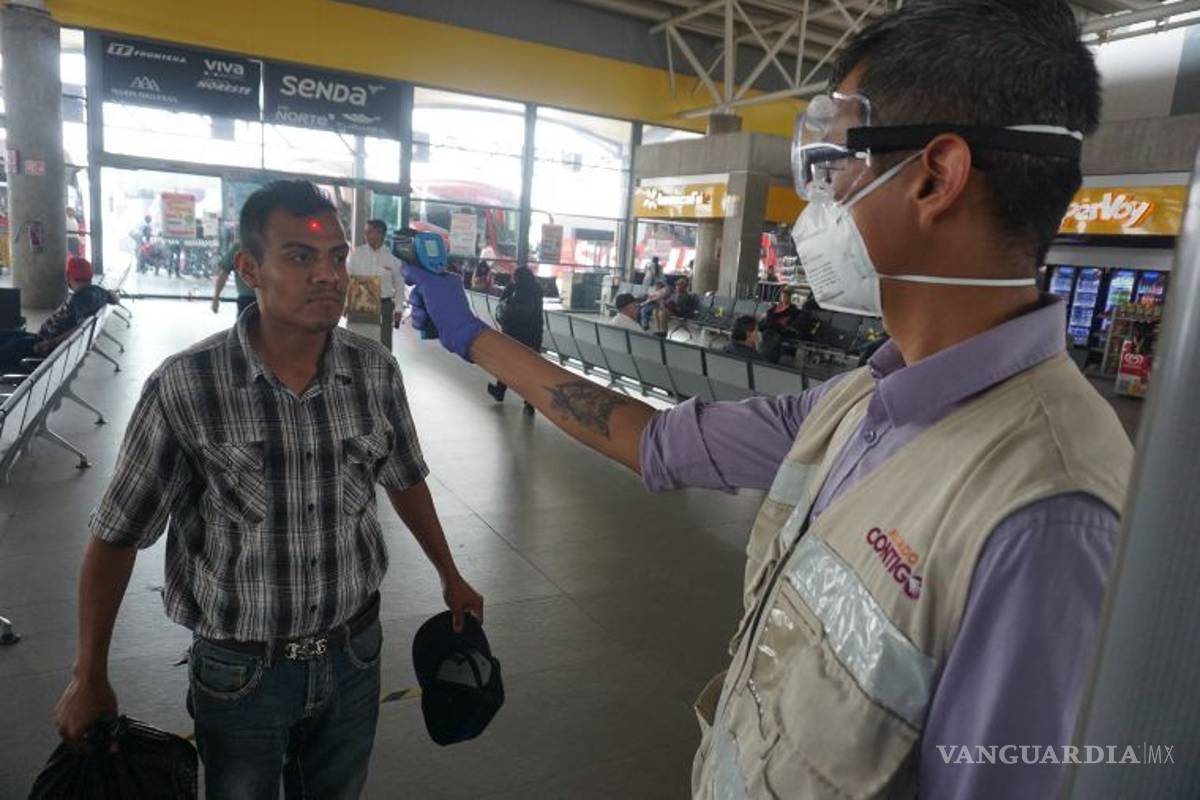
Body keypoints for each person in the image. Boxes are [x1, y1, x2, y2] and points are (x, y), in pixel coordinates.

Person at [403, 2, 1131, 797]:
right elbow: (652, 439)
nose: (819, 202)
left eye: (839, 165)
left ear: (935, 176)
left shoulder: (1047, 513)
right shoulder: (857, 403)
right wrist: (473, 336)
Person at [54, 180, 483, 799]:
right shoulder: (187, 387)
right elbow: (117, 536)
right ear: (249, 268)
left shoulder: (374, 373)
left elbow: (406, 476)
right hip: (242, 671)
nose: (328, 275)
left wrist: (449, 572)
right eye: (300, 256)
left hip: (354, 653)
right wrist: (88, 672)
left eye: (335, 257)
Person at [0, 256, 115, 372]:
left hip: (43, 347)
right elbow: (113, 297)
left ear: (69, 276)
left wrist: (49, 343)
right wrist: (113, 296)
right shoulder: (97, 291)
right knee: (5, 335)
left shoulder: (80, 299)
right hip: (42, 339)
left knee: (9, 346)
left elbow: (79, 329)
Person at [487, 266, 543, 415]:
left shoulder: (514, 288)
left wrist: (508, 290)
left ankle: (499, 391)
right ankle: (530, 403)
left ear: (516, 277)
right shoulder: (537, 289)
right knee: (529, 369)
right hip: (533, 336)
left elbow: (504, 309)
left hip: (513, 335)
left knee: (506, 364)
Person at [347, 219, 405, 350]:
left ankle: (383, 369)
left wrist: (399, 308)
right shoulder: (357, 254)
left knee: (383, 345)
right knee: (357, 343)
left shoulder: (392, 258)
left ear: (381, 234)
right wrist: (346, 303)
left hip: (383, 305)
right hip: (360, 303)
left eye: (369, 232)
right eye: (366, 232)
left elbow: (399, 285)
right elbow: (348, 278)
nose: (366, 235)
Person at [210, 240, 257, 318]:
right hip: (263, 299)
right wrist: (216, 298)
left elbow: (223, 274)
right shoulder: (268, 245)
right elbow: (223, 274)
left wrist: (216, 298)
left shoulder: (238, 247)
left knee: (244, 327)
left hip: (246, 299)